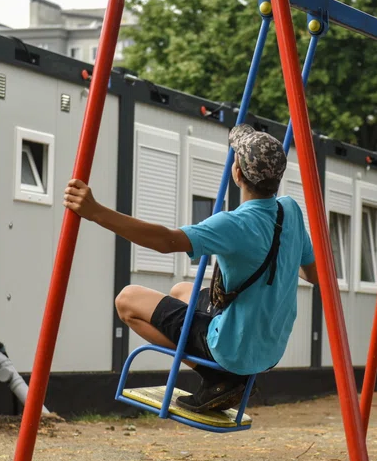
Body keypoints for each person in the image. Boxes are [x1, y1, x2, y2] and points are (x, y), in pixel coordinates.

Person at [63, 124, 319, 411]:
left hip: (234, 350)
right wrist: (280, 260)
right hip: (269, 349)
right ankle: (226, 373)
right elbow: (312, 273)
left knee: (127, 301)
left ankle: (217, 377)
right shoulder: (290, 211)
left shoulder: (234, 224)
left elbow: (166, 240)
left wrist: (96, 212)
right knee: (181, 290)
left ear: (237, 173)